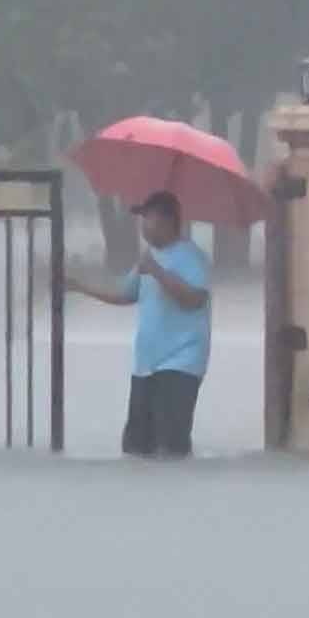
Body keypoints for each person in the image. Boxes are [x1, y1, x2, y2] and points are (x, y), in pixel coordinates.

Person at [67, 191, 211, 457]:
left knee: (170, 447)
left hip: (181, 363)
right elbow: (125, 294)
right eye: (142, 220)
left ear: (168, 221)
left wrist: (157, 272)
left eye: (149, 219)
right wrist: (79, 287)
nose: (143, 226)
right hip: (146, 365)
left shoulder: (191, 256)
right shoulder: (149, 256)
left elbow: (195, 300)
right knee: (136, 448)